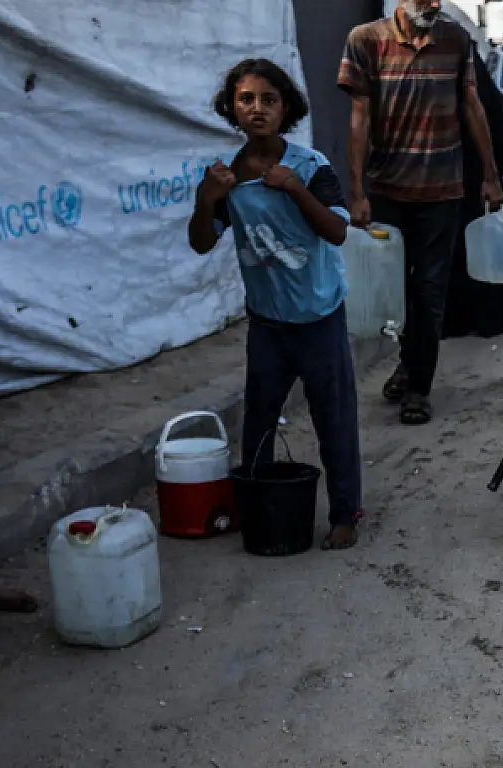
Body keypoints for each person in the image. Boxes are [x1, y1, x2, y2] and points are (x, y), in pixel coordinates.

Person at [188, 59, 362, 550]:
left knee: (334, 419)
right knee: (260, 418)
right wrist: (206, 200)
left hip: (320, 316)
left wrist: (294, 189)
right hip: (268, 322)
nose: (257, 109)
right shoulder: (227, 178)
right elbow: (202, 243)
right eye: (246, 100)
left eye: (269, 100)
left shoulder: (310, 166)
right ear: (232, 109)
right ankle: (259, 506)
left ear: (286, 108)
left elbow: (337, 231)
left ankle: (345, 512)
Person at [339, 0, 501, 426]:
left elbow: (471, 104)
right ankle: (408, 364)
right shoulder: (365, 41)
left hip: (442, 191)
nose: (432, 3)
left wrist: (490, 174)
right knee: (392, 293)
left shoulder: (455, 39)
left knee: (429, 294)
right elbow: (359, 117)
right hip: (388, 190)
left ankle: (418, 387)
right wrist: (355, 190)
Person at [444, 38, 503, 340]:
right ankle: (485, 316)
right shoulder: (479, 91)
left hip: (450, 180)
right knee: (477, 251)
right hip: (473, 183)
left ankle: (453, 319)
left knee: (454, 253)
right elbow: (497, 130)